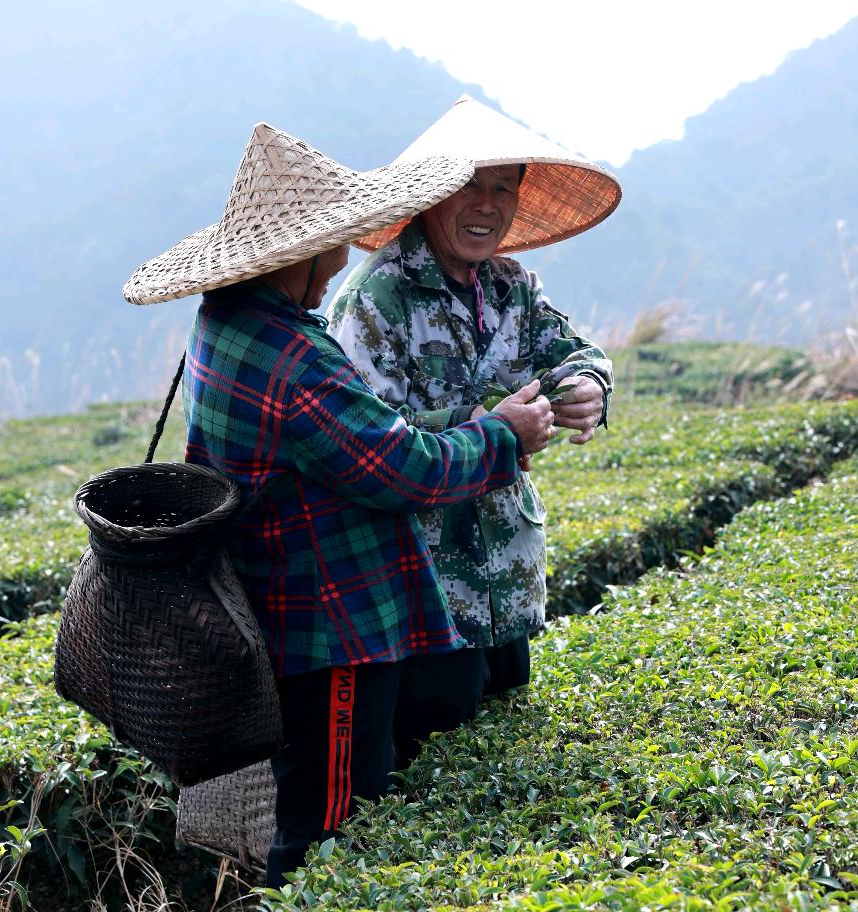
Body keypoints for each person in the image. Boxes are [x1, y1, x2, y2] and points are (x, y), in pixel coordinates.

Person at [122, 123, 555, 886]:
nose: (344, 258)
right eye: (335, 241)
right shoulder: (291, 357)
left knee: (335, 807)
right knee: (328, 826)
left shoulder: (228, 320)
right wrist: (503, 436)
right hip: (329, 627)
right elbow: (400, 466)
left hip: (286, 603)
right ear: (298, 251)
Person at [328, 96, 623, 762]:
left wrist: (586, 389)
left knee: (501, 766)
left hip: (508, 584)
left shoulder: (514, 286)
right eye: (469, 186)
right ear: (431, 195)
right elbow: (362, 442)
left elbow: (577, 352)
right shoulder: (379, 297)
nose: (487, 204)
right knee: (431, 769)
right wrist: (486, 426)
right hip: (424, 593)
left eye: (502, 188)